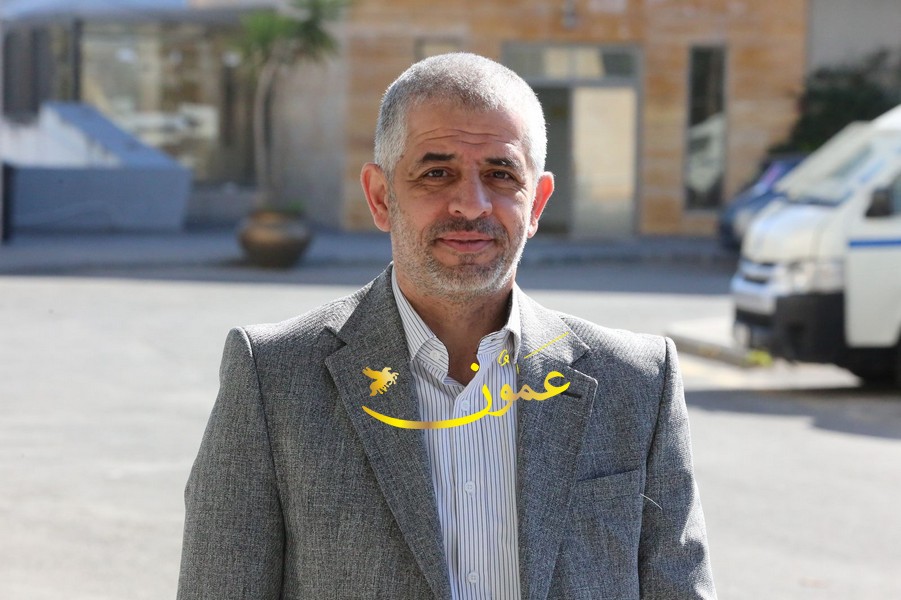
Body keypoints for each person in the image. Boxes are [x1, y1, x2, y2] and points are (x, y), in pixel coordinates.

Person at [177, 52, 716, 599]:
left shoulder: (636, 383)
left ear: (537, 202)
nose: (470, 204)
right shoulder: (274, 379)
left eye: (501, 174)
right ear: (381, 197)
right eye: (437, 173)